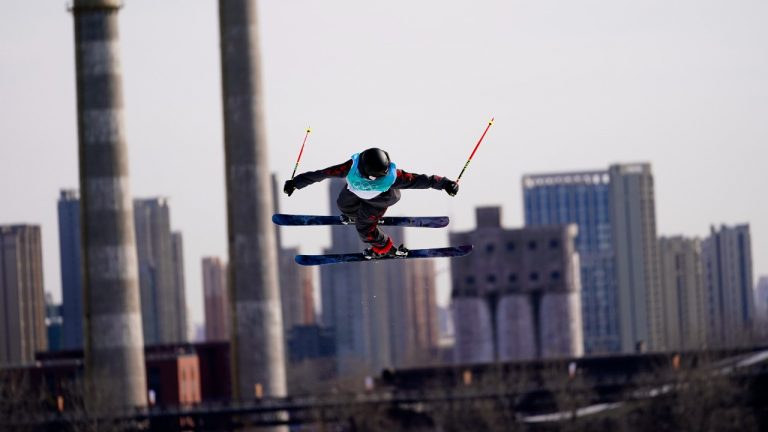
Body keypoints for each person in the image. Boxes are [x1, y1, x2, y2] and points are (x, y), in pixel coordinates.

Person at [283, 147, 459, 259]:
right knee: (343, 205)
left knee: (364, 228)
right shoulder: (350, 167)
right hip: (355, 193)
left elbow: (422, 180)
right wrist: (295, 183)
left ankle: (383, 246)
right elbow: (321, 173)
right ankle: (356, 216)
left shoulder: (393, 176)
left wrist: (446, 184)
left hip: (380, 199)